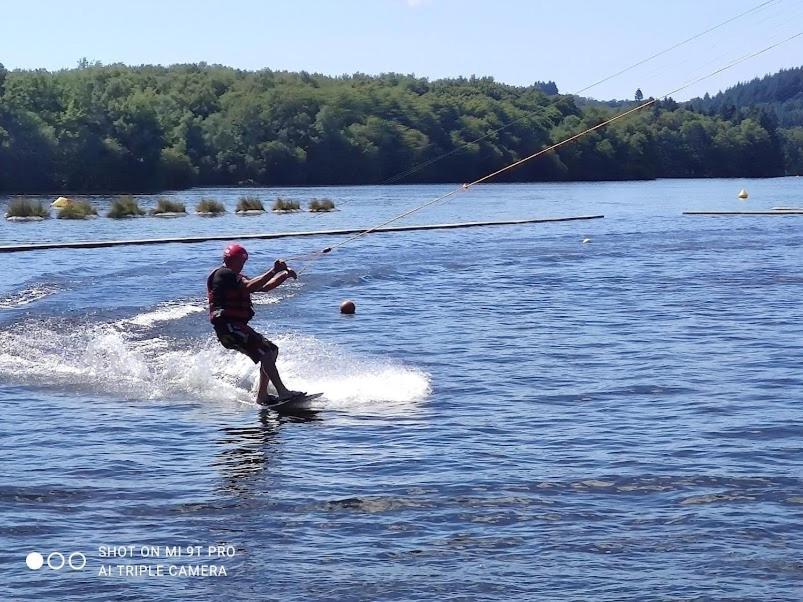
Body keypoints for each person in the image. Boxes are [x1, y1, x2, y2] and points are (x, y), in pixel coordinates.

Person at [207, 243, 304, 405]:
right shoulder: (224, 274)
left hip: (235, 327)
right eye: (241, 261)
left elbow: (263, 287)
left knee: (271, 350)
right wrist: (274, 270)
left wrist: (284, 275)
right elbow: (250, 286)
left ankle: (262, 396)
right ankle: (283, 392)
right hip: (229, 327)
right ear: (233, 260)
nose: (243, 265)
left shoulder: (235, 276)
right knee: (266, 352)